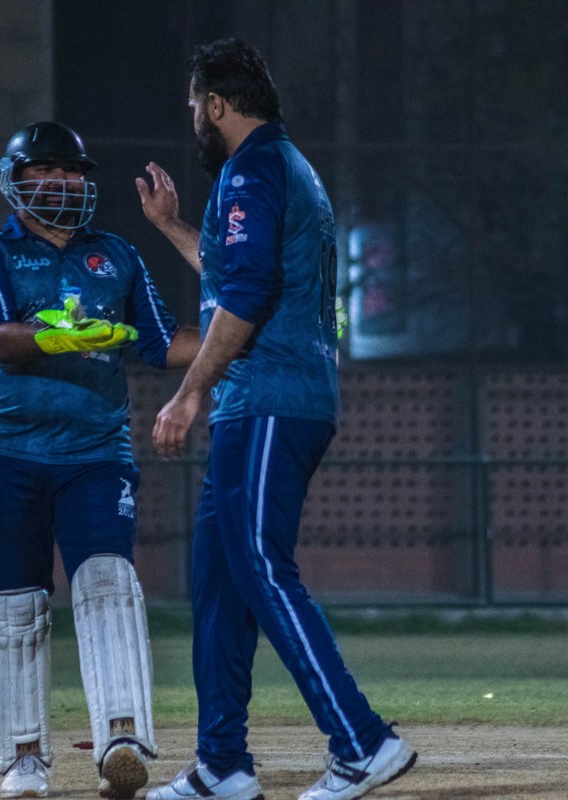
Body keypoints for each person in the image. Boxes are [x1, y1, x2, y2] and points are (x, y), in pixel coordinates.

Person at [135, 39, 417, 800]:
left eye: (195, 104)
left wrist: (189, 392)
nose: (193, 117)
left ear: (217, 104)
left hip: (269, 401)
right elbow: (239, 271)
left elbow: (250, 295)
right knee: (218, 584)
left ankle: (363, 741)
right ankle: (222, 766)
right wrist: (172, 227)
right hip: (275, 400)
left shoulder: (252, 170)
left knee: (260, 566)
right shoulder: (282, 166)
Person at [0, 121, 199, 800]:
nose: (63, 182)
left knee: (109, 583)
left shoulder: (117, 256)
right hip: (3, 452)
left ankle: (123, 738)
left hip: (94, 452)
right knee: (14, 606)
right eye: (46, 171)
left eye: (72, 172)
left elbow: (162, 344)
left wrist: (242, 337)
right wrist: (62, 337)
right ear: (16, 182)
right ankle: (24, 759)